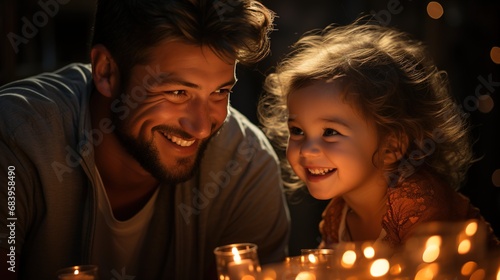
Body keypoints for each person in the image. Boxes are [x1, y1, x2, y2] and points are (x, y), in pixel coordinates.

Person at [0, 0, 290, 279]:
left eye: (220, 92)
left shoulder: (246, 165)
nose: (201, 127)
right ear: (106, 72)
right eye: (178, 92)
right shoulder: (15, 139)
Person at [258, 20, 499, 251]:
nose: (307, 149)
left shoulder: (418, 204)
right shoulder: (337, 216)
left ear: (392, 146)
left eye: (330, 132)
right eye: (297, 131)